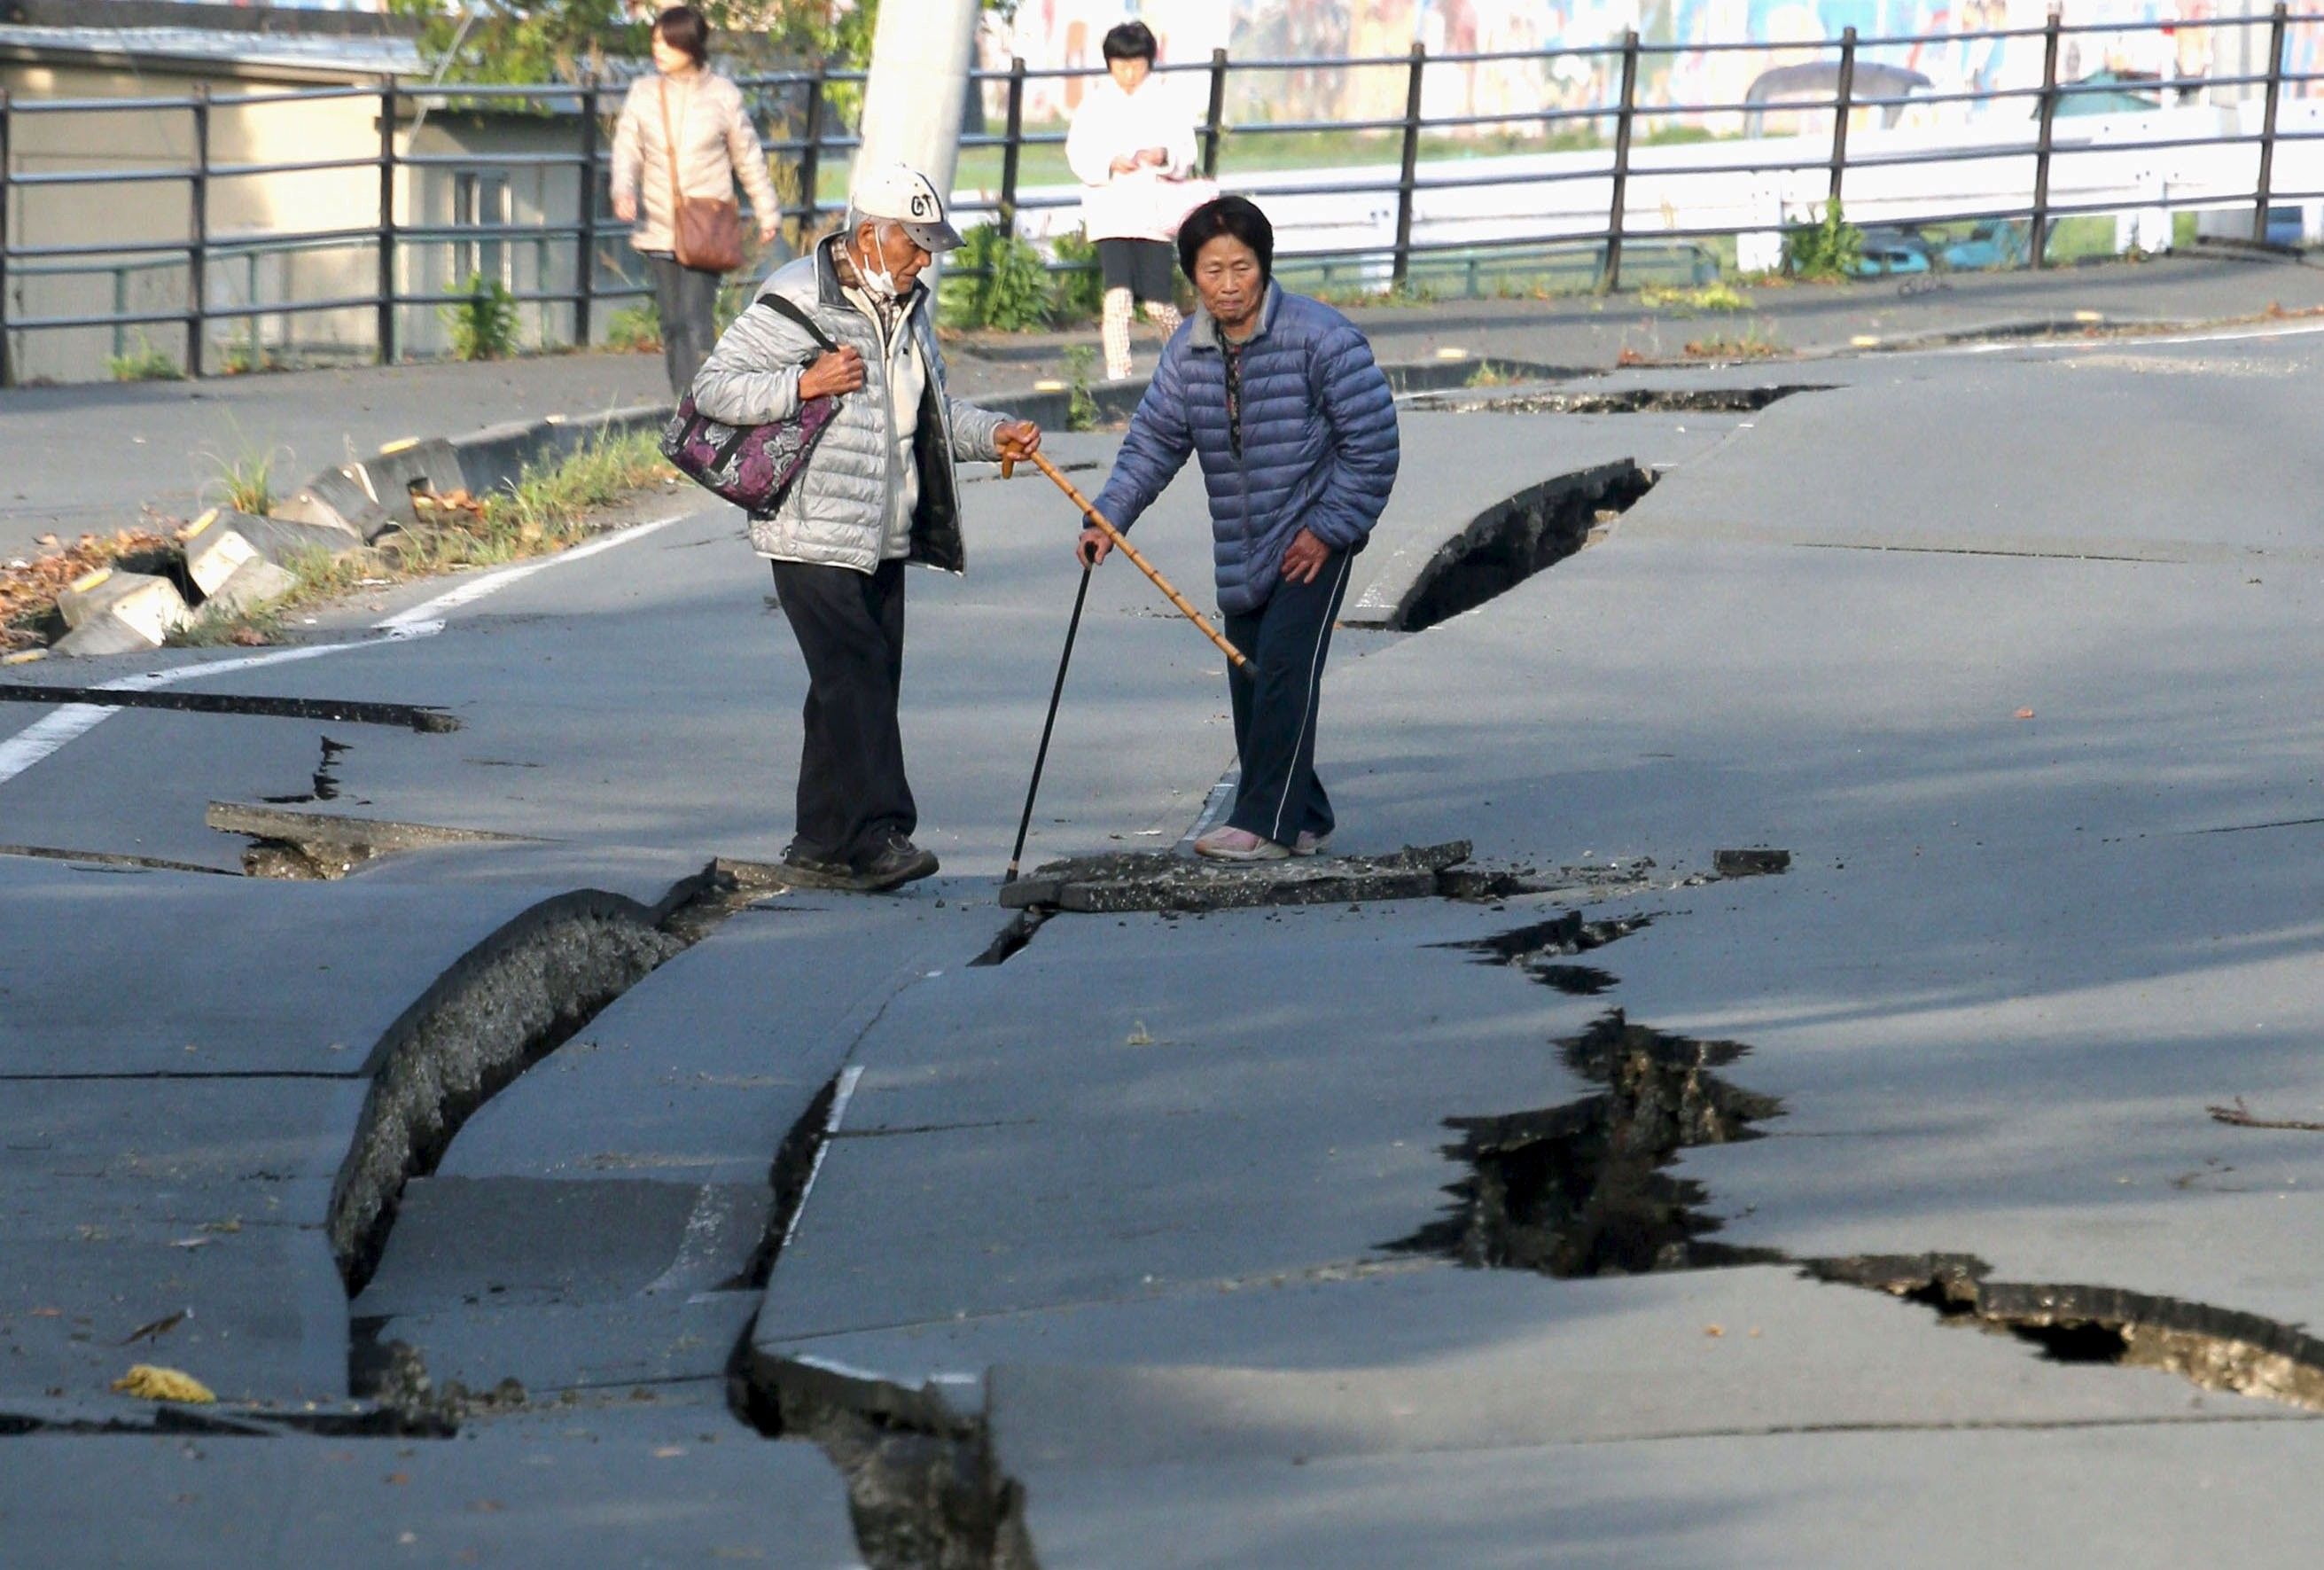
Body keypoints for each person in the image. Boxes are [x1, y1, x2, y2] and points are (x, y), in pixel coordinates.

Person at [690, 163, 1042, 891]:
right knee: (857, 677)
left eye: (929, 248)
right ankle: (881, 833)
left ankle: (820, 839)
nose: (924, 261)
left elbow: (935, 415)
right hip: (811, 529)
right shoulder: (795, 298)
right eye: (915, 245)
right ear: (871, 236)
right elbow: (713, 388)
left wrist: (996, 433)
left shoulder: (906, 311)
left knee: (847, 685)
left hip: (883, 530)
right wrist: (802, 383)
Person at [1081, 196, 1399, 862]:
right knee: (1254, 676)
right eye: (1212, 271)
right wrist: (1107, 517)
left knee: (1285, 666)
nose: (1229, 286)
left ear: (1265, 265)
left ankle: (1264, 824)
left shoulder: (1322, 337)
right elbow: (1152, 445)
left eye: (1242, 268)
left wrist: (1330, 528)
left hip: (1315, 535)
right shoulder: (1186, 354)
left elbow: (1372, 444)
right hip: (1242, 543)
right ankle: (1305, 812)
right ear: (1191, 276)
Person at [611, 5, 781, 394]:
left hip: (706, 224)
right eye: (654, 41)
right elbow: (626, 150)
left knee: (694, 317)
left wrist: (766, 209)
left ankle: (703, 402)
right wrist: (623, 190)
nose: (658, 50)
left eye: (666, 42)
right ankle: (683, 404)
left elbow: (747, 156)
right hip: (658, 225)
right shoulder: (643, 94)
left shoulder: (722, 95)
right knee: (671, 322)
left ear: (689, 44)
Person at [1065, 20, 1196, 382]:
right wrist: (1108, 162)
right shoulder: (1095, 103)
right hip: (1110, 213)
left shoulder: (1167, 100)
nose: (1129, 73)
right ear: (1109, 64)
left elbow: (1186, 152)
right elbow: (1078, 152)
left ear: (1149, 62)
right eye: (1121, 65)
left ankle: (1183, 361)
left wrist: (1163, 154)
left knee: (1158, 303)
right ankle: (1117, 372)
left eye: (1137, 64)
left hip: (1154, 216)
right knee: (1117, 298)